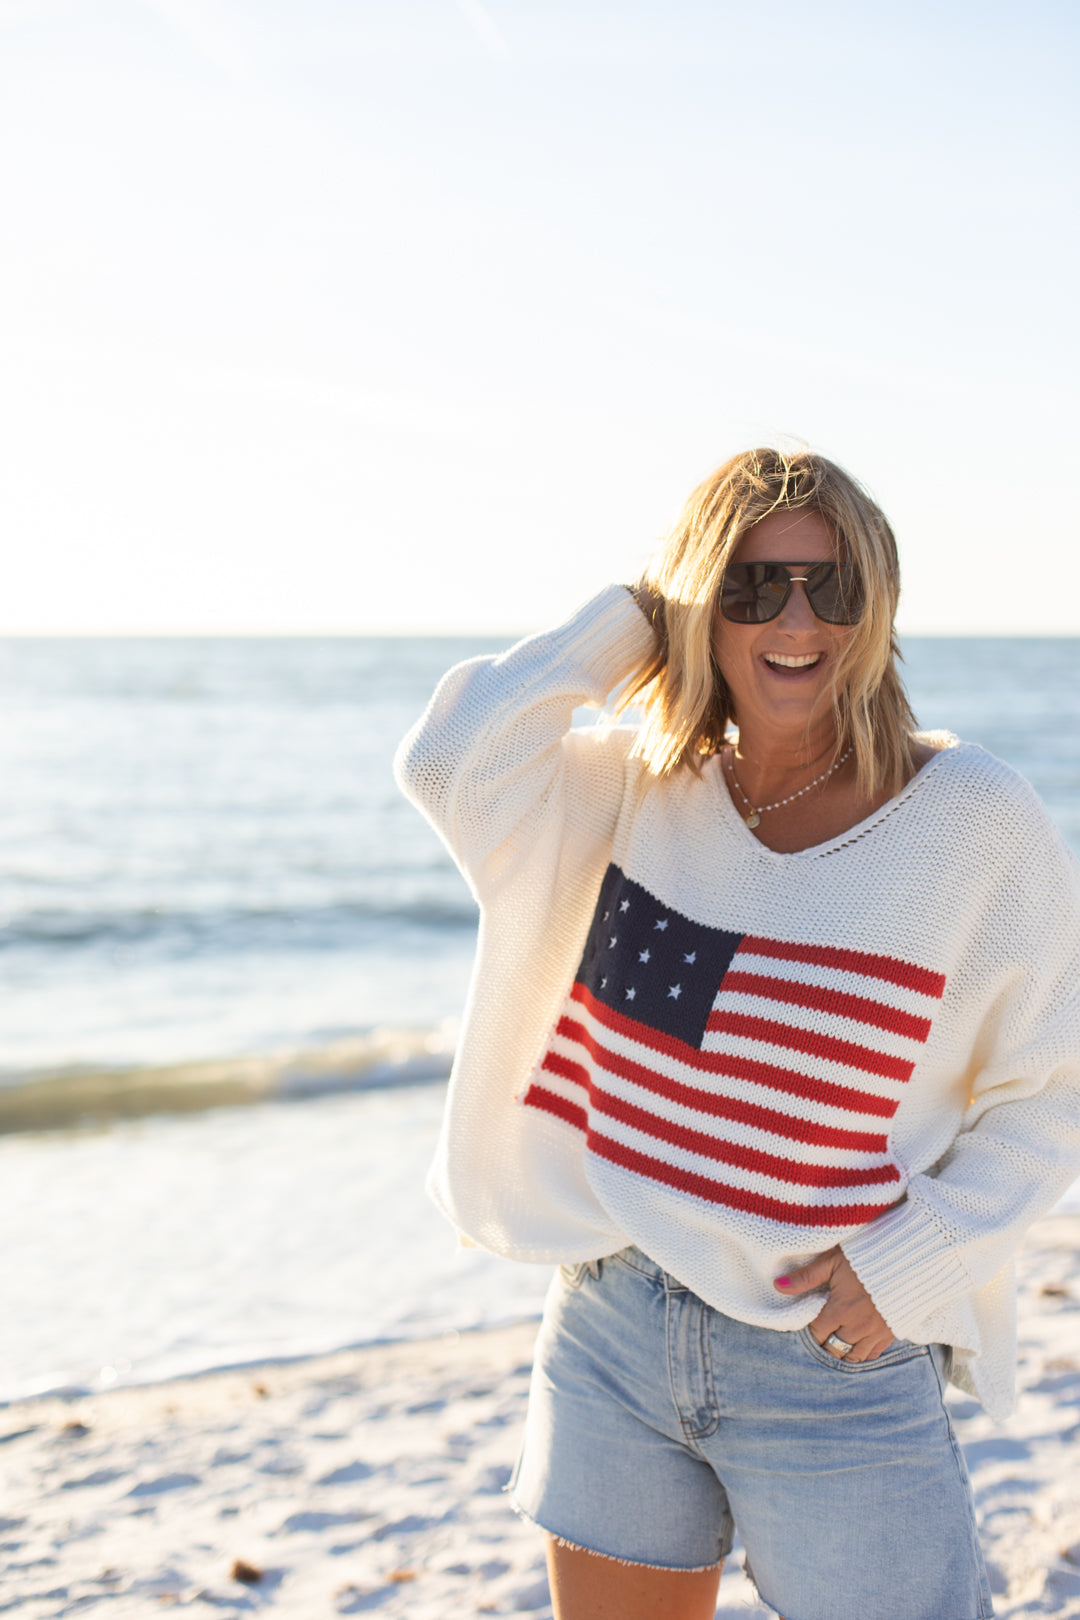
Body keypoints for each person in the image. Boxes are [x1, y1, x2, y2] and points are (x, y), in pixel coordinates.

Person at [394, 448, 1080, 1620]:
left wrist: (917, 1261)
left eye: (831, 586)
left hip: (831, 1354)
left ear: (879, 606)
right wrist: (632, 621)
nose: (797, 620)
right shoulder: (628, 786)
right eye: (753, 589)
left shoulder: (971, 818)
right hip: (613, 1319)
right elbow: (451, 759)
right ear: (701, 608)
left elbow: (1052, 1089)